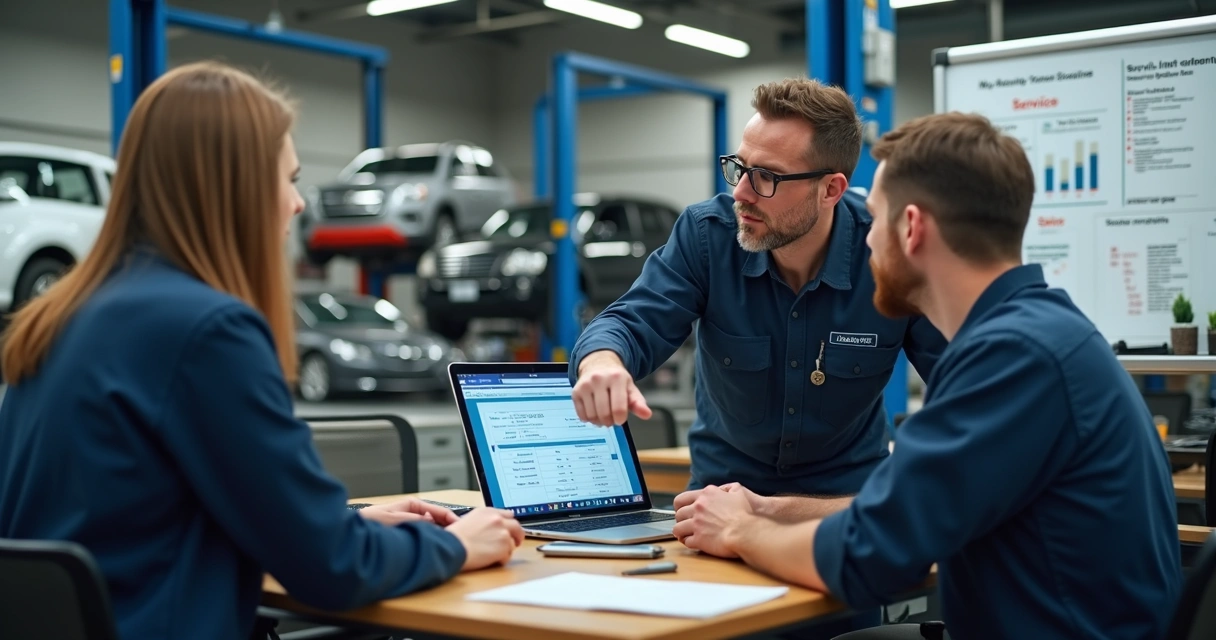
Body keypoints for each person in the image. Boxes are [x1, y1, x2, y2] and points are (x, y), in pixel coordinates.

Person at [0, 62, 523, 640]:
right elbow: (333, 569)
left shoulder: (61, 316)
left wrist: (347, 523)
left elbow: (144, 517)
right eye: (289, 178)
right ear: (238, 187)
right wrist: (450, 545)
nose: (297, 204)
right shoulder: (205, 331)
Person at [671, 112, 1183, 639]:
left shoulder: (1011, 361)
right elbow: (894, 509)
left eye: (873, 220)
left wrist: (740, 528)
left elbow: (868, 557)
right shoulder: (1038, 333)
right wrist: (768, 507)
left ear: (912, 229)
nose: (865, 243)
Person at [570, 78, 946, 506]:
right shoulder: (707, 237)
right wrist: (603, 361)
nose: (741, 193)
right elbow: (633, 320)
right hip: (721, 502)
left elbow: (962, 379)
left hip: (842, 512)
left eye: (767, 177)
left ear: (831, 190)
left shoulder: (889, 254)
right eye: (740, 167)